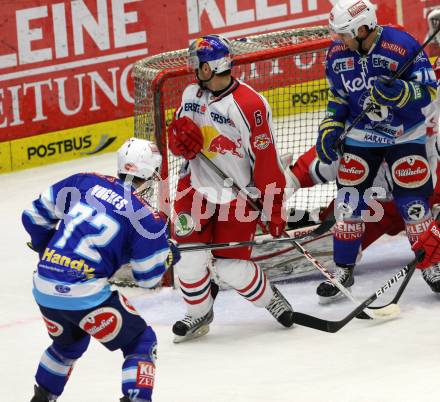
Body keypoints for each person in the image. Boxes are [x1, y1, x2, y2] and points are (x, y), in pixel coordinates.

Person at [22, 138, 180, 402]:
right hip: (85, 292)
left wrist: (47, 252)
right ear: (151, 175)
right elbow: (148, 277)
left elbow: (32, 217)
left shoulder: (84, 181)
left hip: (44, 285)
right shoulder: (147, 218)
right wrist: (168, 256)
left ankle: (41, 399)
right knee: (141, 342)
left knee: (67, 344)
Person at [167, 34, 294, 343]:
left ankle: (270, 298)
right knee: (188, 260)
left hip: (237, 196)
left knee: (232, 268)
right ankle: (199, 312)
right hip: (193, 188)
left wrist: (273, 207)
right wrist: (178, 142)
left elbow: (265, 162)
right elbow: (180, 136)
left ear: (211, 67)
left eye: (198, 63)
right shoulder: (191, 94)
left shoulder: (250, 105)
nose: (193, 68)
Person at [312, 0, 438, 303]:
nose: (338, 40)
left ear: (362, 27)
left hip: (404, 134)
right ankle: (343, 268)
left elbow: (430, 91)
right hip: (360, 136)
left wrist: (402, 94)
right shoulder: (337, 53)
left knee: (413, 203)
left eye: (343, 33)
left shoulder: (401, 45)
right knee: (348, 202)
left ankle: (432, 265)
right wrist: (330, 125)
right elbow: (338, 97)